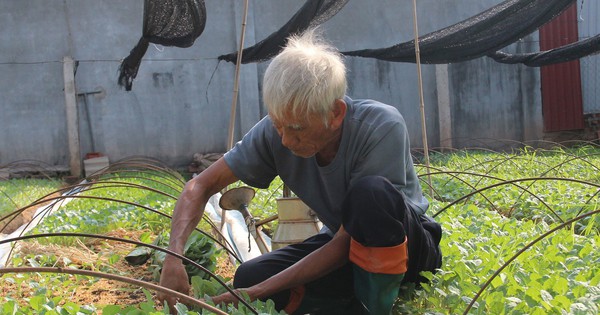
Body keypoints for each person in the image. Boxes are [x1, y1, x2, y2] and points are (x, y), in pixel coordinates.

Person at [158, 28, 442, 314]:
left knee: (370, 196)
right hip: (347, 251)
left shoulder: (379, 127)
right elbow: (199, 186)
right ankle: (349, 299)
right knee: (250, 276)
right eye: (278, 125)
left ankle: (374, 307)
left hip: (408, 250)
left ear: (335, 114)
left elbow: (347, 239)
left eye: (296, 128)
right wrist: (173, 256)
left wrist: (258, 293)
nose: (285, 140)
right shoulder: (276, 133)